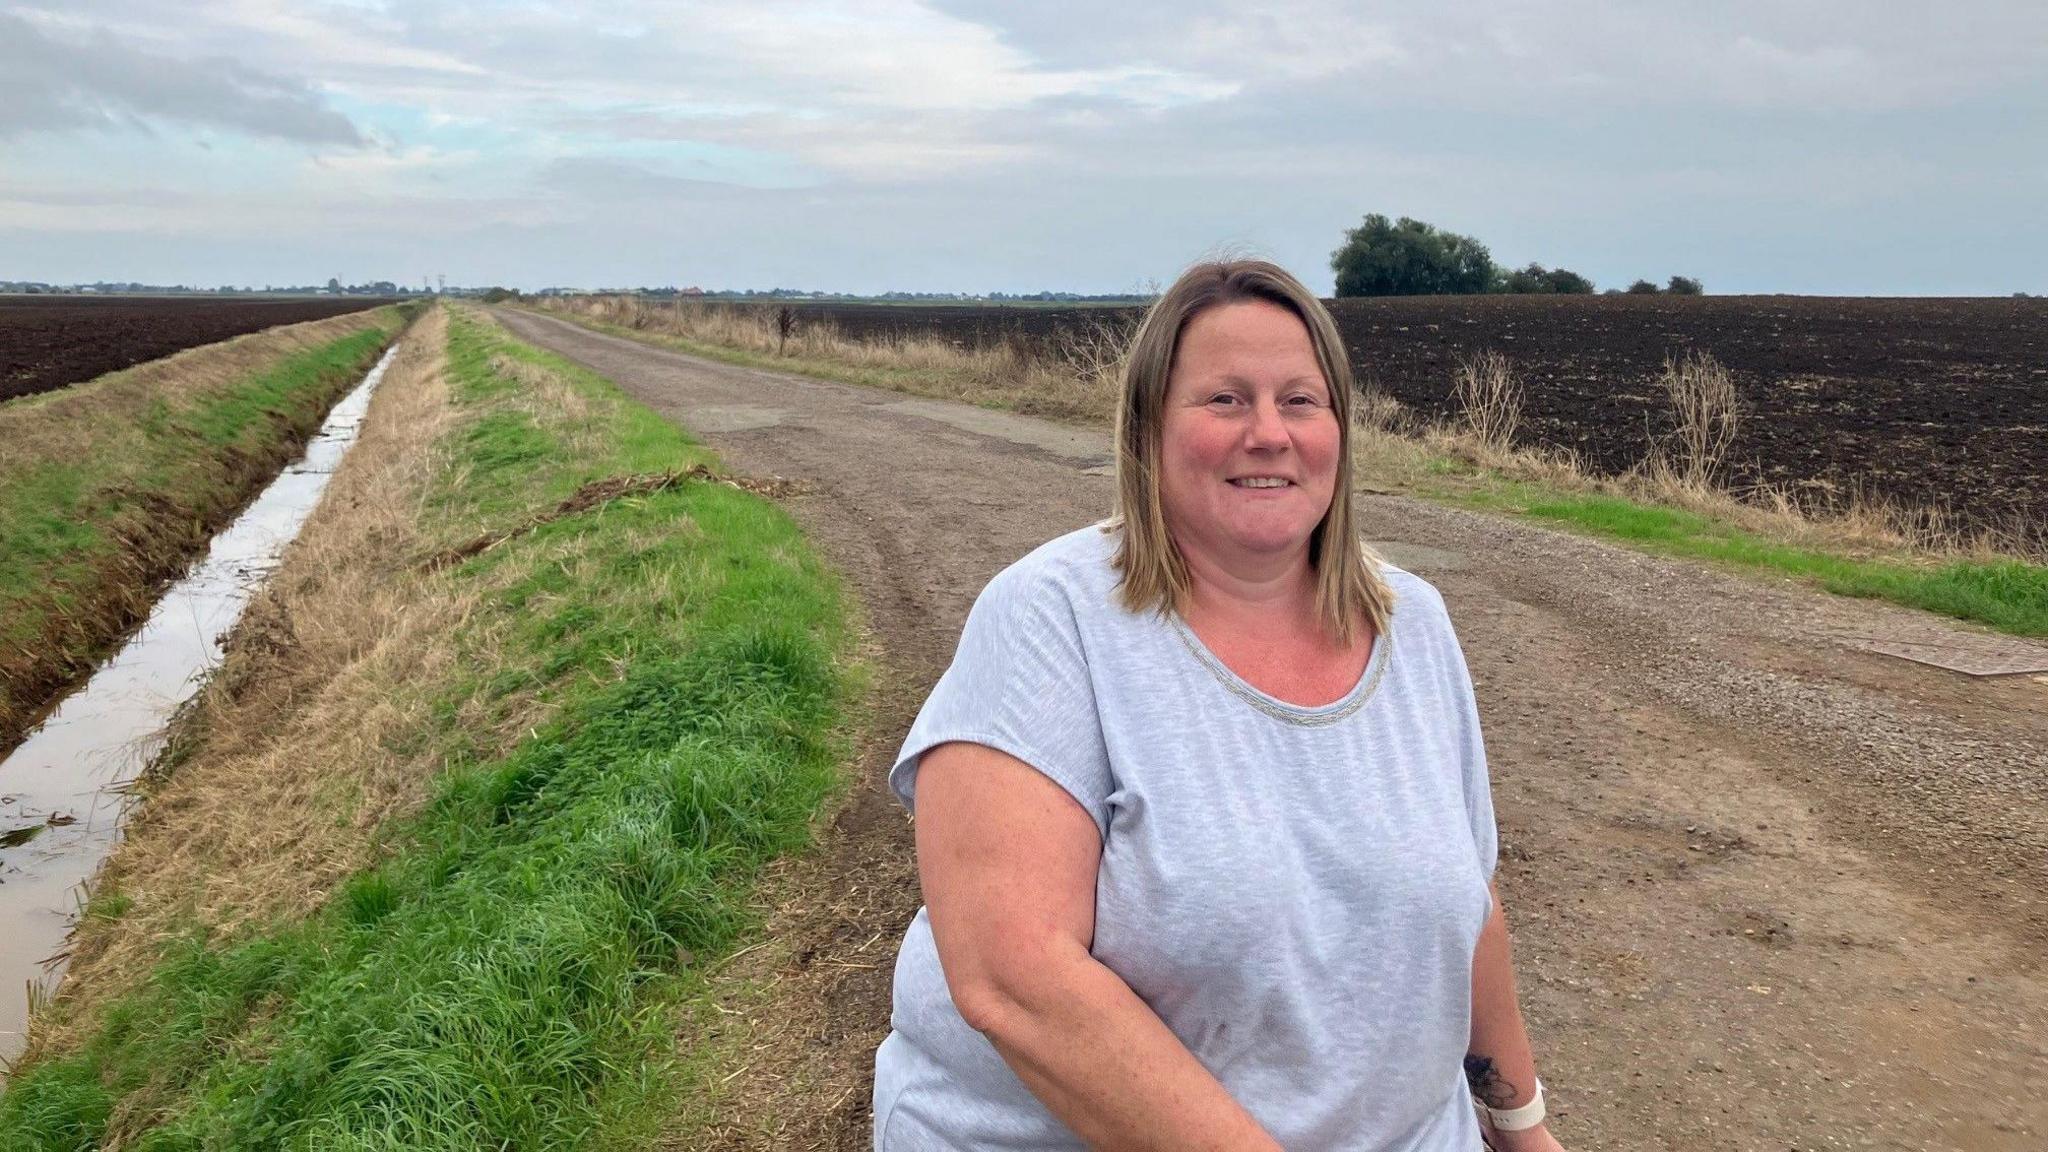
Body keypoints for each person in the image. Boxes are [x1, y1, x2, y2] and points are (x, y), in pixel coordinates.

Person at [871, 259, 1562, 1151]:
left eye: (1302, 401)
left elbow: (1468, 900)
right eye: (1226, 400)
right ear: (1149, 430)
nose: (1269, 433)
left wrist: (1519, 1125)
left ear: (1341, 431)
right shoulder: (1052, 618)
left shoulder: (1413, 624)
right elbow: (1015, 977)